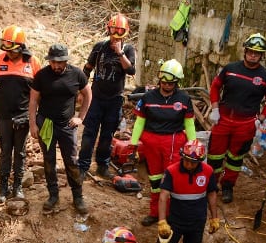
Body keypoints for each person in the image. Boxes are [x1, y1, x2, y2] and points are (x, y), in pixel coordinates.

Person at [144, 139, 218, 243]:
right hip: (175, 221)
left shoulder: (207, 172)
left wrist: (214, 217)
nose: (188, 165)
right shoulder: (171, 171)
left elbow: (212, 194)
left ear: (198, 161)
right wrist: (162, 221)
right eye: (185, 160)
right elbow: (163, 196)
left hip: (197, 223)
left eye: (192, 162)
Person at [207, 33, 266, 203]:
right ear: (245, 51)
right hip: (223, 119)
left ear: (262, 55)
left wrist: (261, 118)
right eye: (251, 51)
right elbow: (216, 86)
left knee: (235, 158)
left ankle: (227, 187)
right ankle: (210, 185)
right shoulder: (231, 69)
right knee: (215, 155)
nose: (253, 55)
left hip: (246, 123)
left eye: (257, 53)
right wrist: (215, 108)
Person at [129, 59, 196, 227]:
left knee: (172, 179)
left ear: (177, 82)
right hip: (151, 142)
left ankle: (172, 214)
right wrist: (133, 142)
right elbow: (139, 121)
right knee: (155, 180)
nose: (166, 85)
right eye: (164, 82)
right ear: (159, 80)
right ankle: (156, 213)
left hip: (173, 142)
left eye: (171, 83)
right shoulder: (148, 97)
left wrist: (194, 144)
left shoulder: (184, 99)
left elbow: (189, 123)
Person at [29, 43, 92, 214]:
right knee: (49, 161)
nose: (56, 66)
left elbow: (88, 94)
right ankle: (53, 195)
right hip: (46, 124)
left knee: (71, 161)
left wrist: (80, 117)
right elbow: (33, 101)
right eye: (53, 62)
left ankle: (77, 197)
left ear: (66, 61)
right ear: (49, 61)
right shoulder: (41, 75)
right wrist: (33, 124)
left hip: (67, 125)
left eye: (60, 62)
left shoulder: (77, 74)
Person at [0, 26, 39, 204]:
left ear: (21, 47)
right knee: (5, 152)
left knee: (20, 153)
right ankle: (3, 188)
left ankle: (18, 187)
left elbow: (40, 91)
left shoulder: (33, 62)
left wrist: (34, 115)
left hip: (23, 116)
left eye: (13, 49)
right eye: (6, 48)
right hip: (3, 115)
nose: (10, 53)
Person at [77, 14, 136, 179]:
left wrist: (120, 53)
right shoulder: (99, 47)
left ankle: (102, 166)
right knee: (89, 133)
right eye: (113, 30)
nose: (115, 35)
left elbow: (131, 70)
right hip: (96, 98)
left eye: (119, 32)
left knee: (107, 135)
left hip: (115, 100)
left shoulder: (129, 49)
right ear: (108, 29)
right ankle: (83, 166)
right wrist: (82, 91)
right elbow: (87, 68)